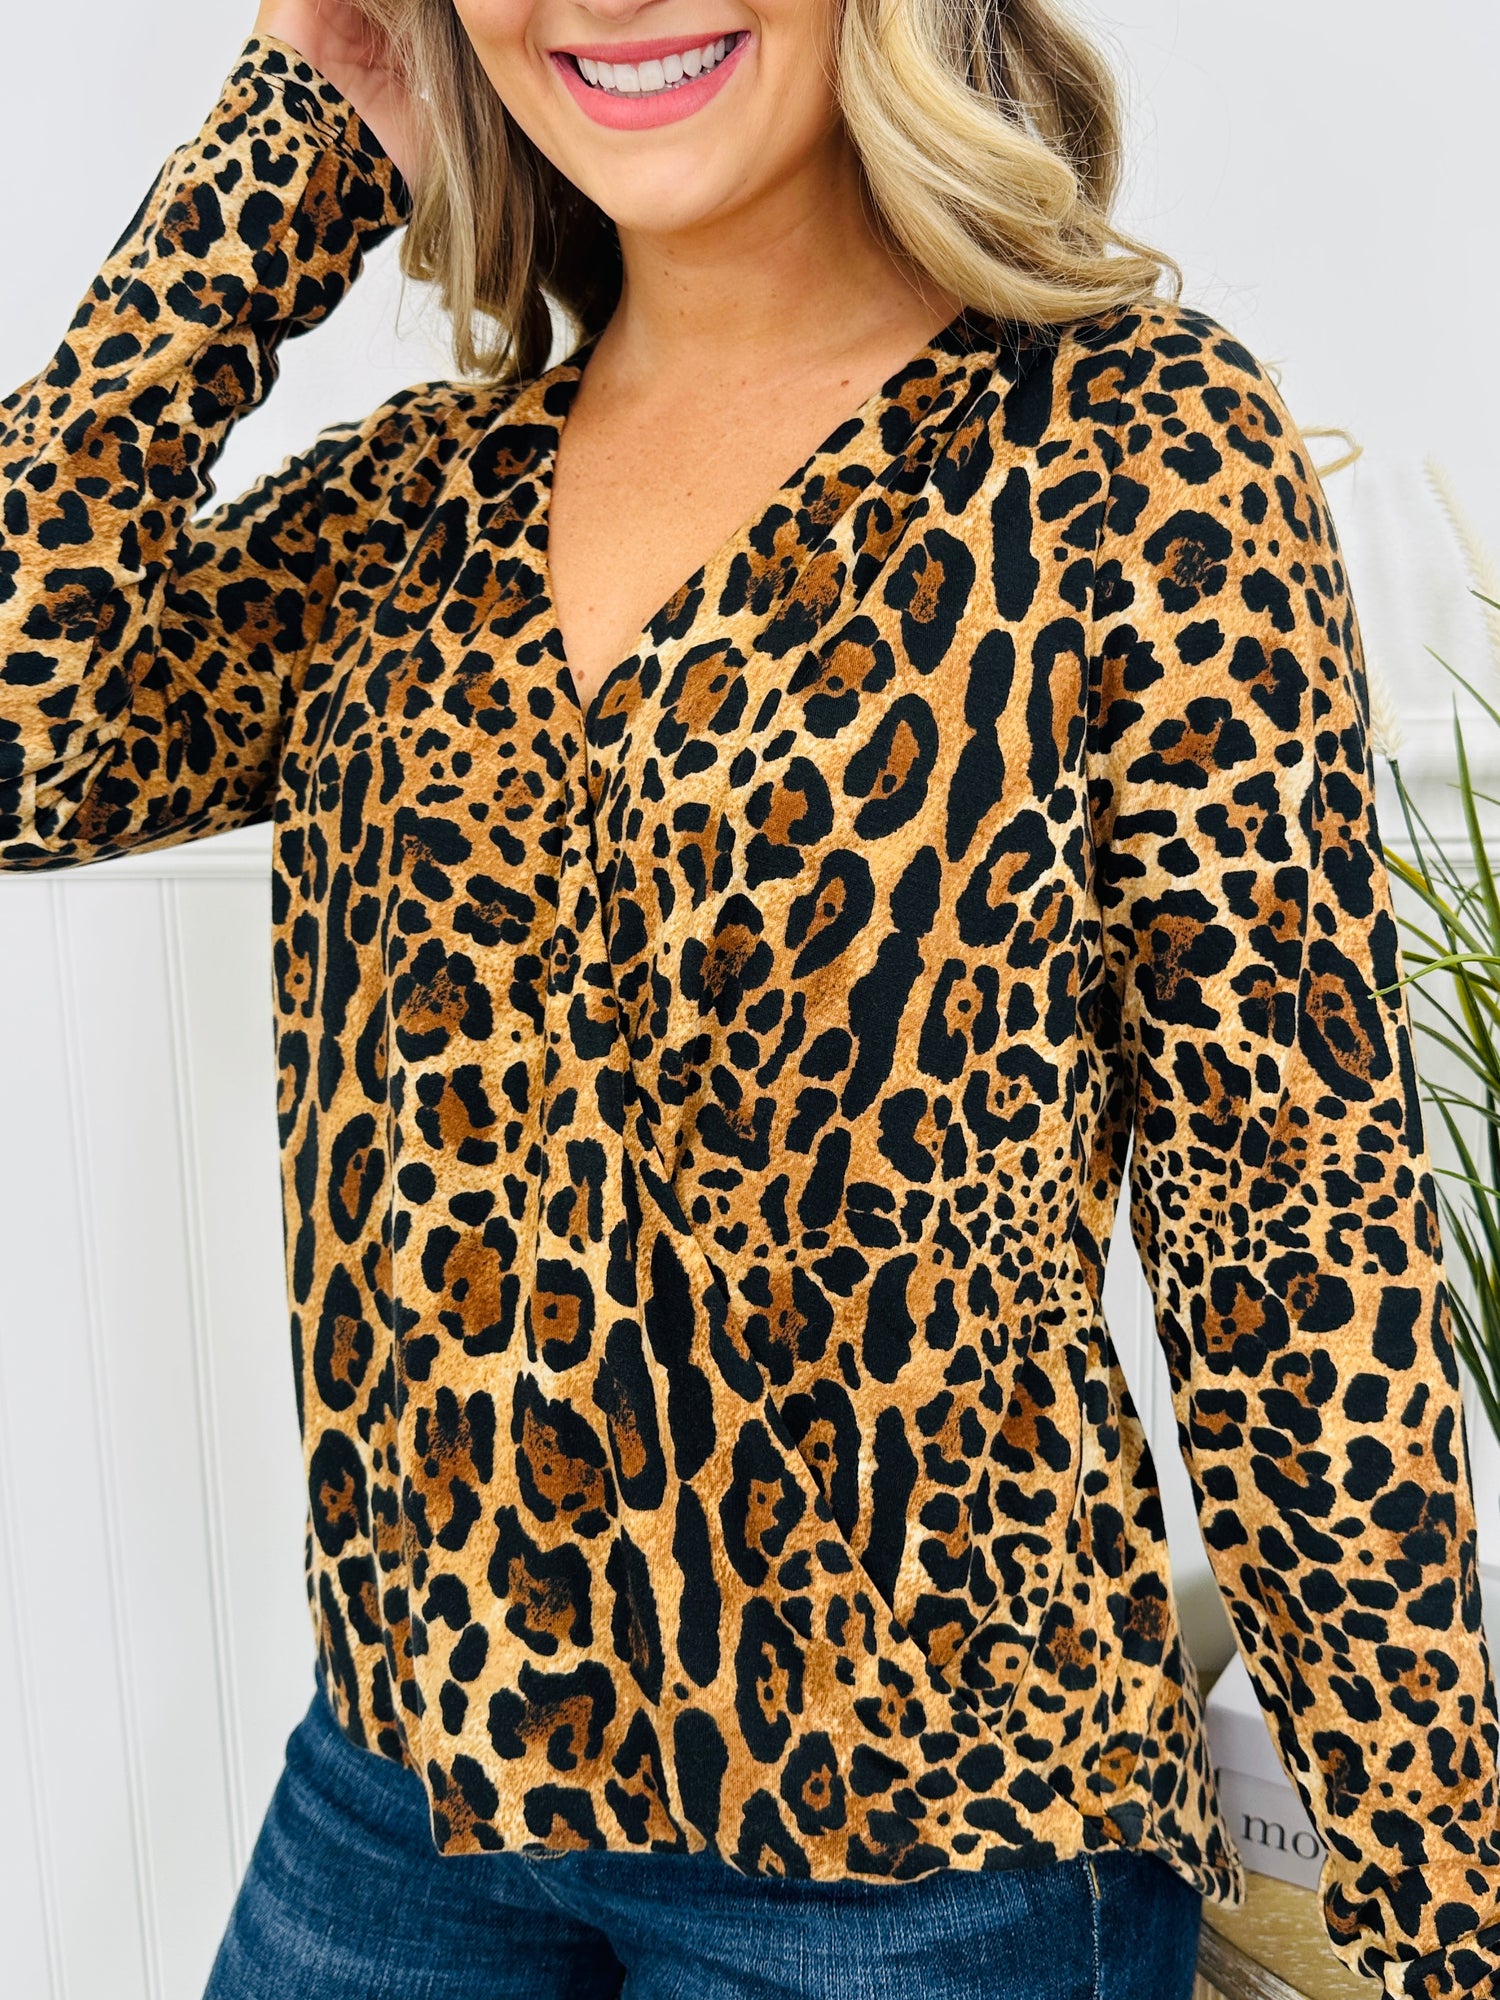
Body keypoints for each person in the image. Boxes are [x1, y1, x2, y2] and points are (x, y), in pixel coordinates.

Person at [3, 1, 1498, 1994]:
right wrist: (292, 144)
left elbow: (1292, 1241)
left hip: (930, 1860)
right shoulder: (418, 506)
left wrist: (1437, 1918)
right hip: (406, 1787)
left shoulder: (1134, 449)